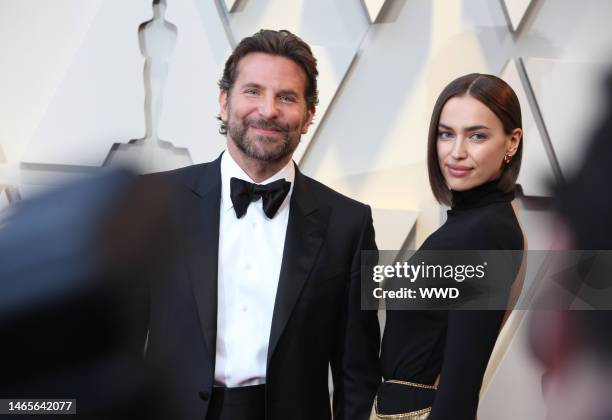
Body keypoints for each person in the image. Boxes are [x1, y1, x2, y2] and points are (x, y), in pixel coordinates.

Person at [145, 29, 381, 420]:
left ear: (308, 116)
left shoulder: (351, 224)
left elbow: (356, 373)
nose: (268, 110)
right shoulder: (157, 202)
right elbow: (117, 347)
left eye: (286, 97)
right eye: (252, 91)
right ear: (224, 101)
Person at [374, 74, 525, 419]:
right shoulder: (475, 223)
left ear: (512, 142)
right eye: (446, 134)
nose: (457, 152)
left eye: (477, 136)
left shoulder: (484, 233)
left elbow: (461, 382)